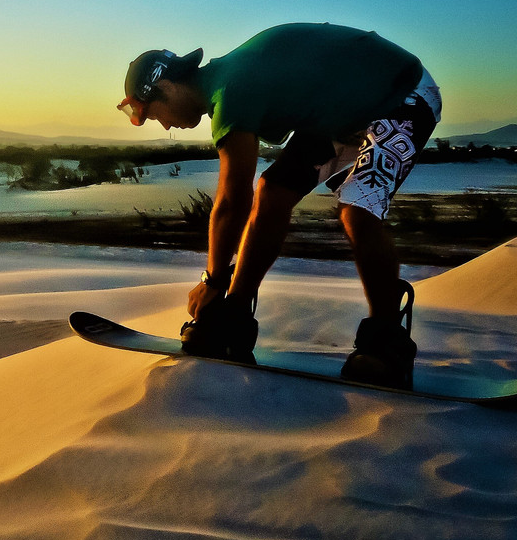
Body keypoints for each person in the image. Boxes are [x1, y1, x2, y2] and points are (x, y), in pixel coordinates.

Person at [118, 22, 442, 388]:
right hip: (342, 113)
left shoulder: (231, 89)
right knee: (272, 191)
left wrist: (212, 279)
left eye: (150, 113)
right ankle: (234, 317)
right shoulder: (227, 85)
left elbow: (233, 197)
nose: (161, 126)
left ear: (166, 87)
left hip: (403, 93)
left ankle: (387, 343)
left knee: (358, 209)